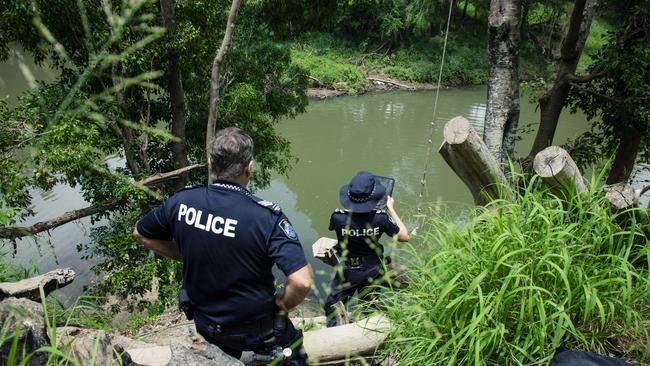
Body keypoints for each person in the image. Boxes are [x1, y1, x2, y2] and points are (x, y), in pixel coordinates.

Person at [133, 127, 312, 365]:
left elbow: (140, 233)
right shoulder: (266, 218)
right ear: (249, 167)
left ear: (210, 164)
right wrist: (282, 304)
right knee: (295, 354)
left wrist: (184, 254)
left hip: (206, 324)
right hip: (257, 330)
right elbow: (302, 281)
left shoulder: (181, 202)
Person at [323, 171, 409, 327]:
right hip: (373, 269)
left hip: (347, 271)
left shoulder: (338, 217)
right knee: (369, 304)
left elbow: (345, 230)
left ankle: (334, 331)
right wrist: (391, 208)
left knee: (333, 306)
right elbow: (404, 236)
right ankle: (372, 331)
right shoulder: (381, 218)